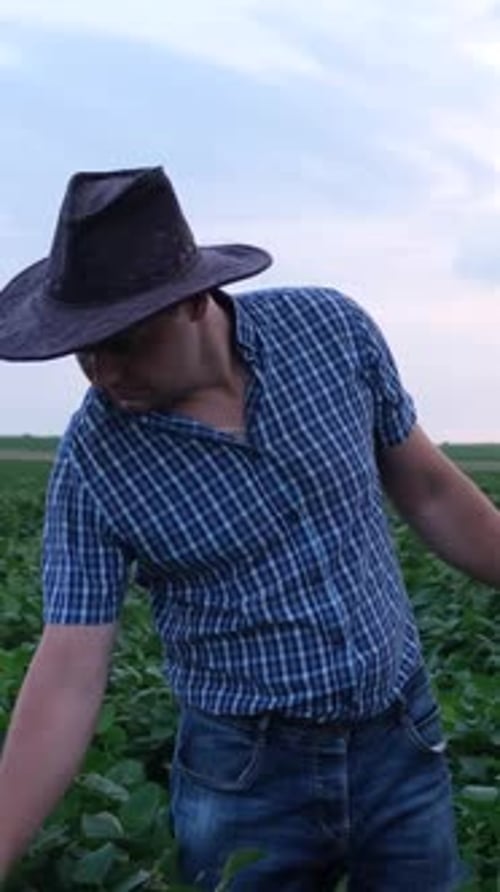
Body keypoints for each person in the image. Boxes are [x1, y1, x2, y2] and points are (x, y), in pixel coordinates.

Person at [0, 166, 498, 892]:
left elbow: (428, 492)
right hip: (246, 778)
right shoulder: (94, 462)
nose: (102, 373)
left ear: (195, 301)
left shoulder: (330, 334)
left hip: (402, 735)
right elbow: (70, 670)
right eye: (83, 348)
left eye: (125, 341)